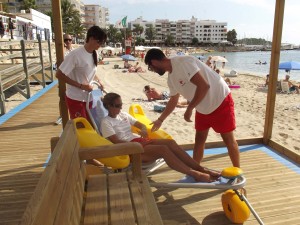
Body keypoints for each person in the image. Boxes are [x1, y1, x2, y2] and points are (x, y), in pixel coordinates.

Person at [145, 48, 240, 168]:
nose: (152, 70)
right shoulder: (171, 79)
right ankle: (196, 170)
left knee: (228, 140)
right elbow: (173, 100)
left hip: (220, 100)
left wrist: (189, 108)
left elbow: (204, 86)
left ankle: (237, 173)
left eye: (150, 67)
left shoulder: (183, 62)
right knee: (199, 140)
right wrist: (160, 120)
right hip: (201, 106)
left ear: (153, 62)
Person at [100, 92, 220, 182]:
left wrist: (142, 130)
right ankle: (195, 174)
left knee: (170, 142)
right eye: (118, 105)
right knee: (163, 149)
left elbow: (140, 124)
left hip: (137, 142)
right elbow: (116, 142)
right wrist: (138, 144)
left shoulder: (123, 115)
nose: (121, 107)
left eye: (121, 104)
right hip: (129, 150)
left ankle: (201, 168)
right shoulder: (106, 122)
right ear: (109, 106)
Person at [56, 26, 107, 123]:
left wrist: (99, 81)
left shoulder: (94, 53)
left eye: (102, 43)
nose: (100, 45)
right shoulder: (75, 55)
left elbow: (90, 72)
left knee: (93, 125)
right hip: (75, 98)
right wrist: (81, 86)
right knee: (81, 128)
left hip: (89, 97)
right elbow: (59, 74)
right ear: (91, 38)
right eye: (99, 42)